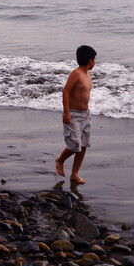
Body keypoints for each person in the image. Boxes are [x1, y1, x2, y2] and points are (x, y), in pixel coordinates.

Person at [55, 45, 97, 185]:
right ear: (89, 59)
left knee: (84, 145)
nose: (95, 62)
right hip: (73, 114)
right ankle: (60, 160)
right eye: (94, 59)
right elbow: (66, 91)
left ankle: (74, 174)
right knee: (75, 144)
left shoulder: (87, 74)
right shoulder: (76, 73)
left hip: (85, 114)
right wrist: (66, 112)